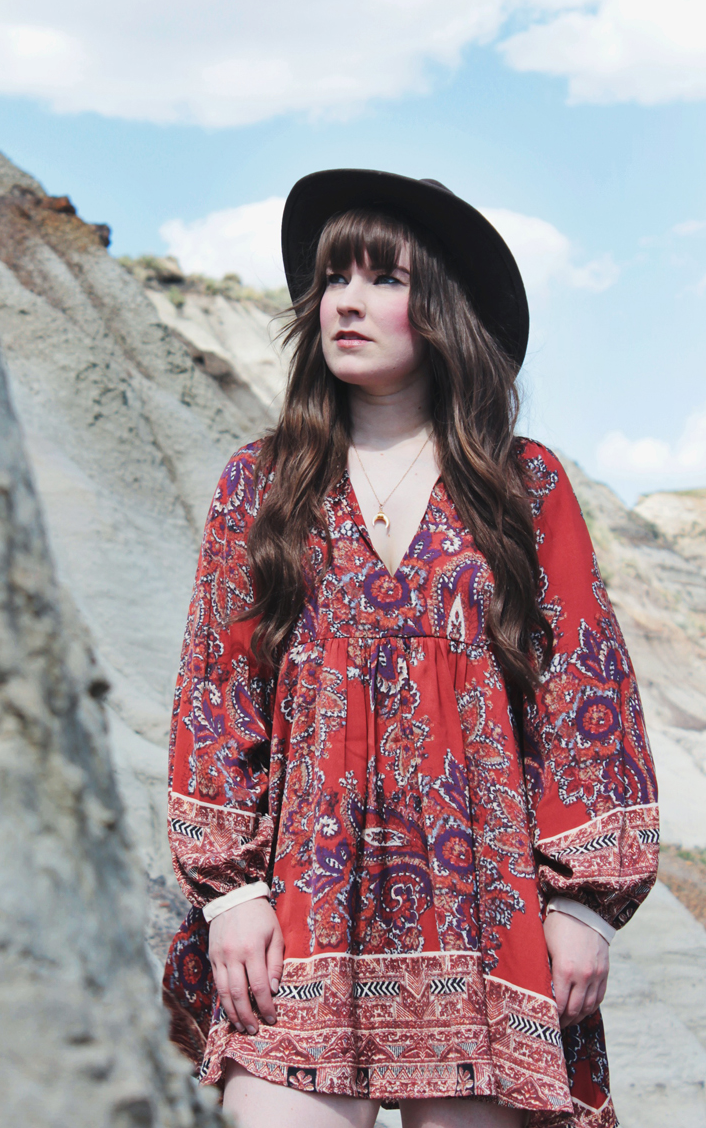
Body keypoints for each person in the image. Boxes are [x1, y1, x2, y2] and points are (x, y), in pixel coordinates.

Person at [162, 170, 658, 1128]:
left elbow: (586, 696)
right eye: (333, 278)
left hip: (487, 922)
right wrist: (230, 896)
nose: (345, 302)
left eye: (383, 278)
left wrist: (585, 905)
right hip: (298, 915)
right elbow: (215, 696)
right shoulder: (261, 485)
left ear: (444, 310)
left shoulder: (523, 485)